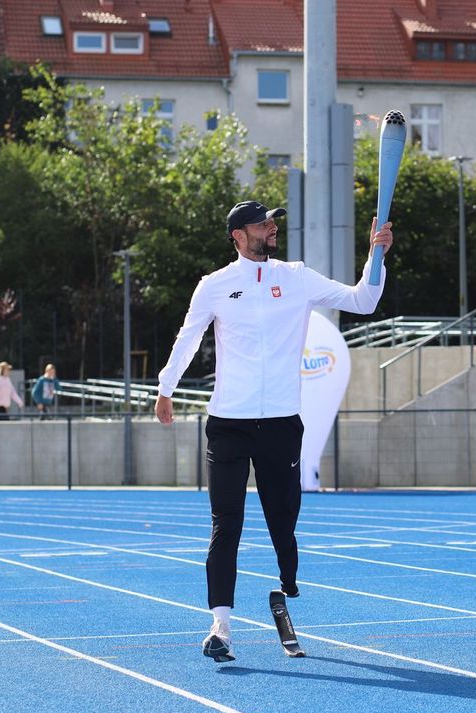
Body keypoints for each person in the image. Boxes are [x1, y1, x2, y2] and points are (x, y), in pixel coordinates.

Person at [153, 200, 394, 663]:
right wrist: (166, 387)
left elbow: (363, 300)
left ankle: (284, 583)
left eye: (273, 222)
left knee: (283, 520)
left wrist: (375, 255)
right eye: (263, 223)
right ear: (238, 235)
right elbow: (188, 337)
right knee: (227, 524)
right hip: (228, 423)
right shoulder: (215, 285)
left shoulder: (297, 275)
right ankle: (220, 626)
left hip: (282, 424)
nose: (271, 228)